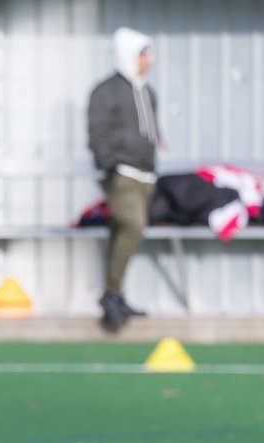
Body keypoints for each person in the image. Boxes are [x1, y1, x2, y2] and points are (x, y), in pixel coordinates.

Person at [88, 26, 160, 332]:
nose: (149, 60)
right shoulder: (106, 91)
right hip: (123, 175)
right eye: (144, 54)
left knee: (122, 232)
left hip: (145, 175)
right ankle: (111, 296)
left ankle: (115, 294)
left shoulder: (146, 90)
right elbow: (97, 131)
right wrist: (110, 165)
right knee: (134, 226)